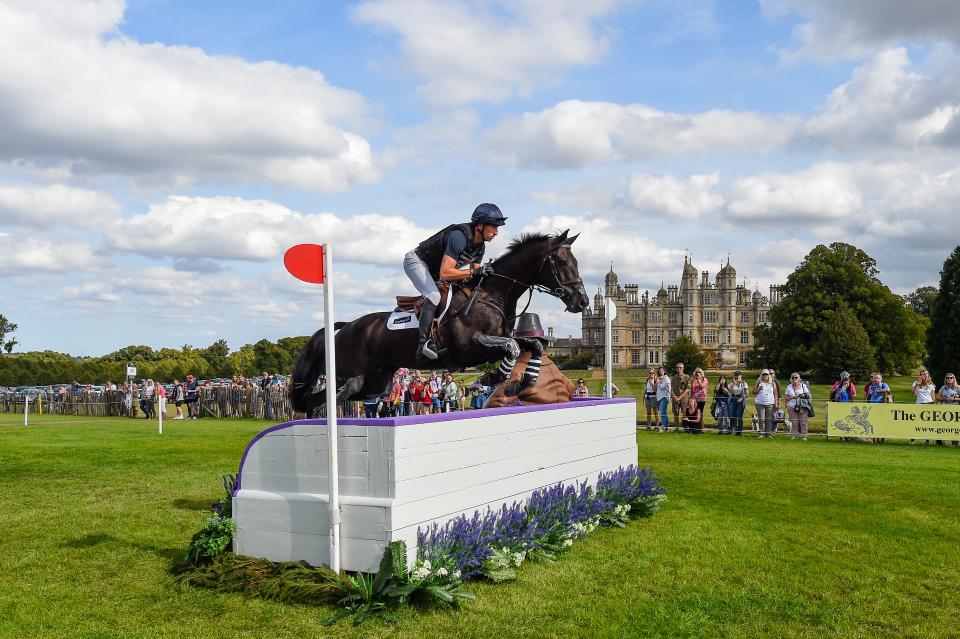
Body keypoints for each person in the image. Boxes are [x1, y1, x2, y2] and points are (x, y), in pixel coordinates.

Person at [404, 203, 507, 361]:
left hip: (435, 271)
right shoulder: (459, 237)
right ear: (480, 225)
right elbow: (445, 273)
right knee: (433, 296)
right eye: (493, 227)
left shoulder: (480, 248)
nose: (496, 232)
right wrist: (473, 272)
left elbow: (474, 278)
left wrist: (489, 275)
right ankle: (422, 345)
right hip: (417, 262)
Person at [483, 313, 574, 408]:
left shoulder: (518, 370)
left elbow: (493, 404)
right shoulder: (554, 368)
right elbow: (570, 388)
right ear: (544, 344)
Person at [784, 372, 811, 441]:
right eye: (793, 378)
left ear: (799, 379)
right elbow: (786, 397)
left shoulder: (803, 386)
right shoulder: (789, 386)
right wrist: (792, 397)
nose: (794, 379)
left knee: (803, 421)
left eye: (796, 377)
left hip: (803, 406)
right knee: (794, 422)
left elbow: (808, 395)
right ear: (791, 379)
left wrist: (802, 395)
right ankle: (793, 436)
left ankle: (804, 436)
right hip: (792, 406)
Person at [912, 369, 936, 444]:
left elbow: (933, 396)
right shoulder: (915, 383)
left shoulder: (931, 385)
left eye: (924, 374)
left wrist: (934, 404)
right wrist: (917, 384)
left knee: (927, 423)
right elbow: (912, 394)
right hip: (919, 404)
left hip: (929, 404)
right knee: (916, 422)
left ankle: (926, 440)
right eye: (921, 374)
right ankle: (913, 439)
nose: (922, 376)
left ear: (927, 375)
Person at [938, 373, 959, 447]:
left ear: (954, 379)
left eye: (951, 378)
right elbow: (938, 397)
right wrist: (945, 399)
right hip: (945, 409)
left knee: (955, 426)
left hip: (955, 410)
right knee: (943, 425)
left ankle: (954, 443)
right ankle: (940, 442)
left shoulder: (958, 387)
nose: (949, 379)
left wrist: (954, 399)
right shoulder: (943, 388)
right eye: (947, 378)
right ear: (945, 379)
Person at [754, 369, 777, 437]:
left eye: (766, 374)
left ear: (768, 375)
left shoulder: (772, 383)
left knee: (769, 419)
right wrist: (758, 389)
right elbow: (753, 392)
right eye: (763, 374)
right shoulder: (759, 382)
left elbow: (775, 393)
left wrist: (776, 402)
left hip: (770, 403)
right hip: (760, 403)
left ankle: (768, 433)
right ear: (761, 375)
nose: (765, 376)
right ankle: (762, 433)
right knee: (761, 419)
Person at [670, 363, 690, 432]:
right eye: (677, 367)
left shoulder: (686, 377)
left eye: (680, 368)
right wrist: (675, 397)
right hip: (675, 398)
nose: (679, 369)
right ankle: (676, 428)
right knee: (675, 414)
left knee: (684, 413)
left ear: (683, 368)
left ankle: (685, 428)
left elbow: (687, 389)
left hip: (684, 398)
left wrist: (680, 397)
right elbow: (671, 388)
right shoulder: (674, 377)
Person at [656, 366, 672, 432]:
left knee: (662, 413)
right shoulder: (662, 378)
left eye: (661, 371)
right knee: (664, 412)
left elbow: (662, 387)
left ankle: (663, 427)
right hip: (660, 397)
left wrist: (658, 382)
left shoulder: (666, 379)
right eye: (659, 371)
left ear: (664, 371)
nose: (660, 372)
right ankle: (667, 427)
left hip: (664, 397)